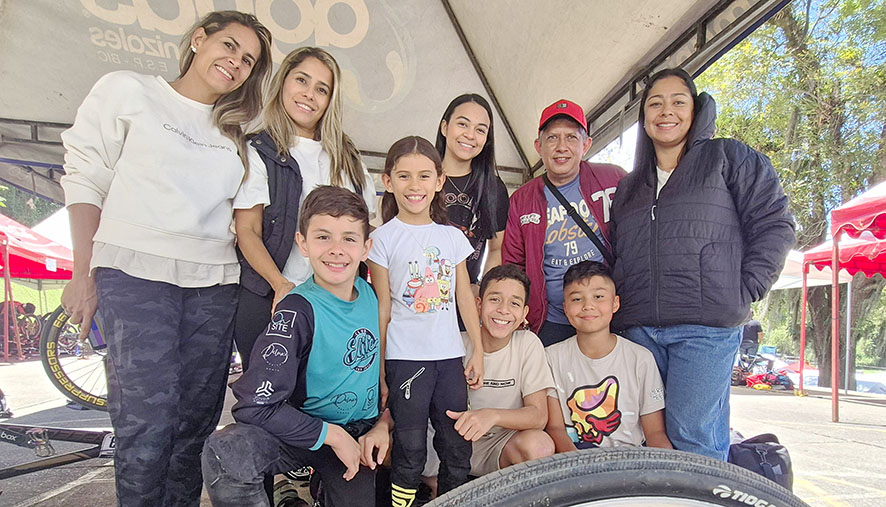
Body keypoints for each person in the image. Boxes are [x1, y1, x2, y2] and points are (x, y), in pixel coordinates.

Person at [59, 11, 272, 505]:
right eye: (229, 47)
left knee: (192, 430)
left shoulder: (240, 139)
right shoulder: (129, 91)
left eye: (248, 61)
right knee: (146, 426)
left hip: (214, 290)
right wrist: (82, 272)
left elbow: (248, 230)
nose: (235, 63)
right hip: (134, 279)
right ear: (199, 39)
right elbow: (86, 178)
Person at [609, 68, 795, 460]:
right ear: (644, 117)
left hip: (705, 328)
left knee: (694, 437)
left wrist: (746, 289)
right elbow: (619, 250)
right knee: (644, 437)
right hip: (640, 330)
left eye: (679, 101)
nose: (667, 111)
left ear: (696, 109)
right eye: (655, 103)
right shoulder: (630, 185)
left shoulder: (727, 157)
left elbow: (774, 223)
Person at [203, 186, 391, 507]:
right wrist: (331, 435)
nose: (336, 249)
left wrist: (384, 424)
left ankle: (315, 491)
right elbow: (255, 405)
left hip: (362, 434)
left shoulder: (377, 298)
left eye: (348, 238)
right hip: (307, 431)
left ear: (366, 247)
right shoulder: (297, 310)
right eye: (323, 237)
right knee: (226, 452)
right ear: (302, 243)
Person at [234, 46, 378, 369]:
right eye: (302, 80)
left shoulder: (347, 157)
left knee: (324, 398)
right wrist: (280, 284)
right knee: (270, 398)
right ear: (283, 82)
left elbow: (369, 227)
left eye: (321, 89)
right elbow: (247, 231)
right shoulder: (259, 150)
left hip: (336, 304)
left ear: (330, 101)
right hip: (269, 298)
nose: (309, 95)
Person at [367, 136, 484, 506]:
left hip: (449, 359)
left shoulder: (452, 237)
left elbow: (464, 295)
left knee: (455, 446)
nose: (414, 186)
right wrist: (381, 369)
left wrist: (477, 350)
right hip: (404, 359)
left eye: (423, 176)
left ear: (439, 181)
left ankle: (451, 501)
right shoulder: (381, 239)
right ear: (388, 181)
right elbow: (382, 306)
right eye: (404, 176)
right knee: (410, 448)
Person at [502, 99, 625, 347]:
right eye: (552, 138)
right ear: (538, 146)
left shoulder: (613, 179)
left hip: (608, 315)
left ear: (586, 144)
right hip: (551, 320)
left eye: (571, 137)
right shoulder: (522, 200)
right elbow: (513, 264)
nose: (561, 147)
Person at [430, 264, 555, 481]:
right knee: (397, 443)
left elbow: (539, 416)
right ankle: (433, 488)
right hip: (446, 442)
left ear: (524, 313)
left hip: (497, 446)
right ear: (478, 305)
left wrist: (493, 415)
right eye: (495, 299)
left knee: (540, 445)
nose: (504, 310)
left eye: (514, 303)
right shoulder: (455, 342)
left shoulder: (527, 344)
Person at [544, 261, 671, 452]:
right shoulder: (551, 358)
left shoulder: (641, 359)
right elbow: (555, 428)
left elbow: (655, 433)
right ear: (565, 308)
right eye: (577, 299)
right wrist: (578, 469)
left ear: (615, 303)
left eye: (598, 297)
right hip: (573, 461)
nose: (588, 306)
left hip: (630, 461)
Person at [435, 94, 509, 290]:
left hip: (467, 296)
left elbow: (496, 249)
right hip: (423, 293)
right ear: (445, 127)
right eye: (462, 124)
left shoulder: (494, 188)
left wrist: (482, 289)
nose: (470, 135)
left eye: (480, 130)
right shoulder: (424, 177)